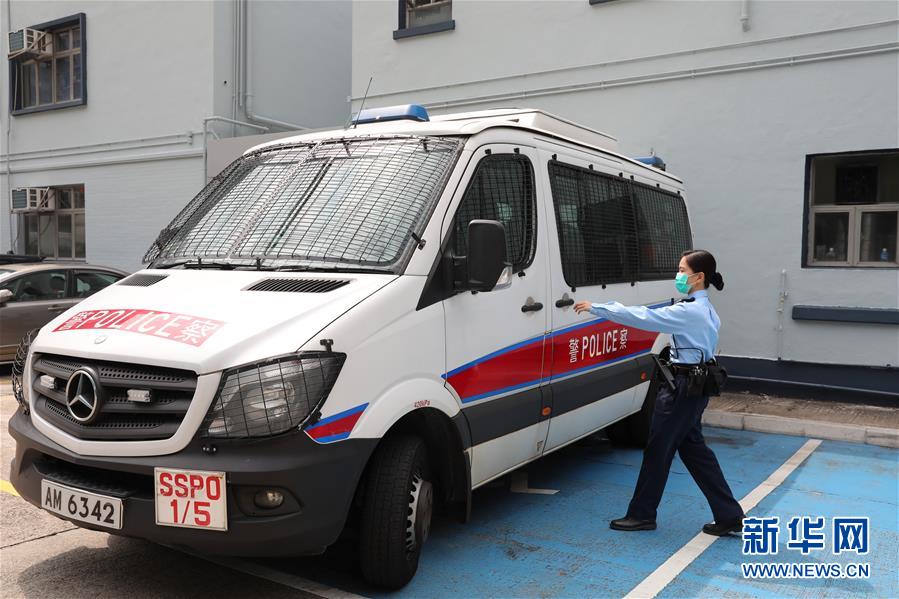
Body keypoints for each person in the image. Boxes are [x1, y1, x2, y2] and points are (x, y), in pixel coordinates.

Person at [573, 249, 744, 536]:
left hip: (681, 390)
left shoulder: (689, 312)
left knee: (658, 451)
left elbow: (643, 317)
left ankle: (642, 515)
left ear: (699, 277)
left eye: (682, 270)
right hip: (695, 387)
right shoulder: (706, 309)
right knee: (696, 452)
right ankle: (729, 515)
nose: (678, 276)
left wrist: (597, 307)